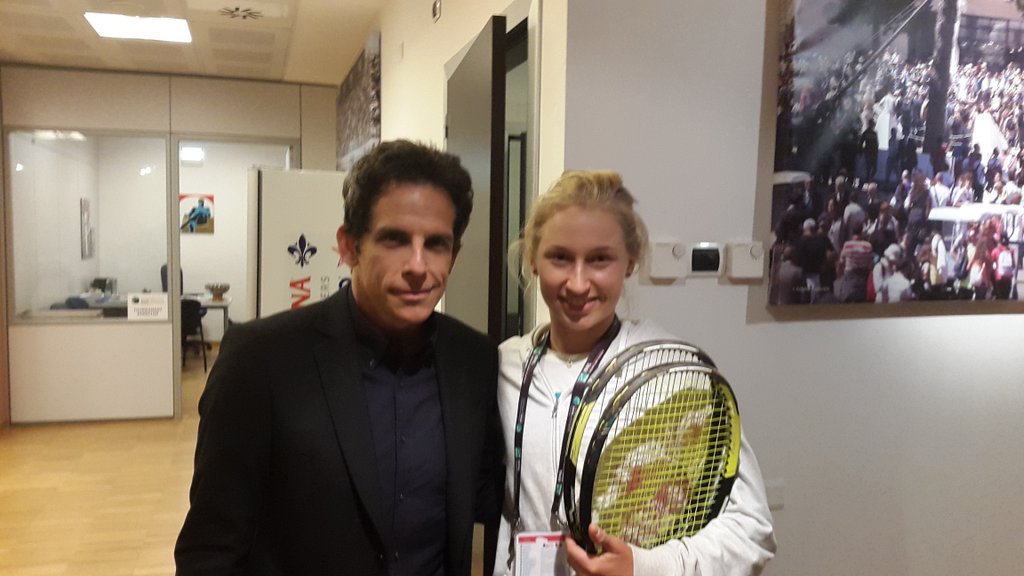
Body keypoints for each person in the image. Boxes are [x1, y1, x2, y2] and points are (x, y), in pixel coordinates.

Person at [175, 140, 504, 575]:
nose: (418, 266)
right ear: (349, 246)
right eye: (395, 239)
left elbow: (491, 501)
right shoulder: (260, 360)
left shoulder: (474, 361)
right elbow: (211, 549)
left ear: (454, 255)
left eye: (436, 244)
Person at [493, 171, 775, 575]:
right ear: (533, 260)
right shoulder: (504, 366)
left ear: (630, 262)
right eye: (560, 257)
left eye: (599, 259)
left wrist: (644, 566)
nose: (578, 283)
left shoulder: (677, 375)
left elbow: (751, 529)